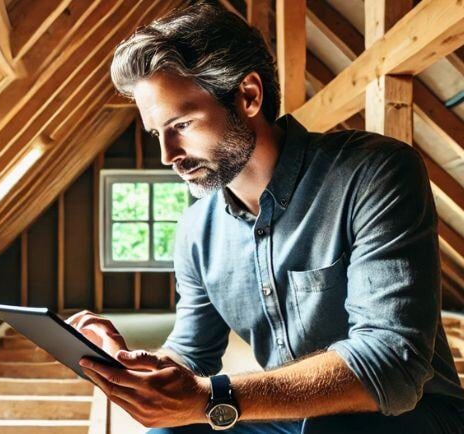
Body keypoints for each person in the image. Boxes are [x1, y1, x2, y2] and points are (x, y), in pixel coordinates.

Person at [66, 3, 464, 433]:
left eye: (181, 124)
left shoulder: (373, 172)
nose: (168, 156)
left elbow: (391, 364)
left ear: (249, 96)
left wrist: (212, 398)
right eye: (156, 133)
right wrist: (124, 366)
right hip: (291, 416)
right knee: (168, 426)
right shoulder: (197, 230)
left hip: (411, 415)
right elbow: (191, 354)